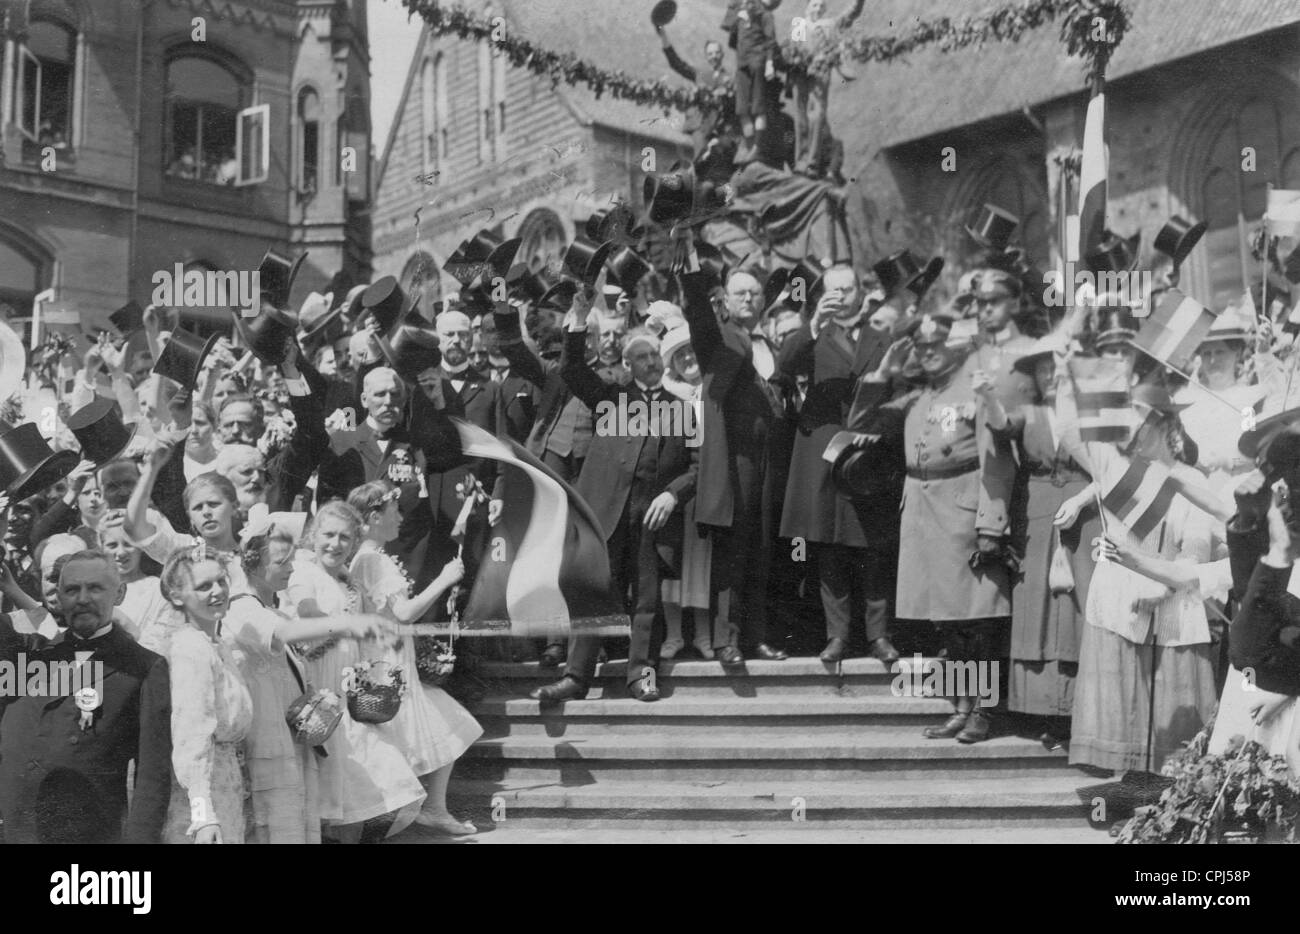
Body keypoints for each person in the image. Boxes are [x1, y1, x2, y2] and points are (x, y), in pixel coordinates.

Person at [852, 313, 1019, 743]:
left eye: (935, 346)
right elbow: (862, 423)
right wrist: (882, 375)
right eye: (920, 347)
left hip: (963, 510)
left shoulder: (975, 390)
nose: (927, 353)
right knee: (947, 623)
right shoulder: (917, 397)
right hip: (924, 514)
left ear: (956, 348)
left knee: (977, 620)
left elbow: (996, 457)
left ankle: (983, 710)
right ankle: (960, 706)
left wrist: (991, 524)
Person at [533, 293, 699, 703]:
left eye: (655, 355)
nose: (651, 362)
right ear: (627, 365)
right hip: (605, 512)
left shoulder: (682, 409)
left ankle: (641, 675)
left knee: (646, 599)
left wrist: (673, 495)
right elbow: (571, 367)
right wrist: (576, 320)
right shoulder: (611, 400)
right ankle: (575, 676)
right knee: (593, 595)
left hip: (651, 516)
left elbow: (698, 465)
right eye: (640, 357)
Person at [1068, 386, 1224, 775]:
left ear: (1165, 424)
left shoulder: (1190, 480)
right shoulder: (1117, 476)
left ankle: (1164, 807)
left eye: (1143, 420)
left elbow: (1196, 554)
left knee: (1169, 727)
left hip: (1172, 607)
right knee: (1124, 716)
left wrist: (1163, 586)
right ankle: (1127, 801)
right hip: (1118, 605)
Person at [229, 511, 394, 843]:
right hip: (264, 747)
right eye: (281, 561)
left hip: (287, 744)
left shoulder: (269, 609)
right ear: (254, 563)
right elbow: (286, 631)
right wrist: (347, 623)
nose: (291, 568)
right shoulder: (242, 610)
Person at [0, 549, 172, 843]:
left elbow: (152, 780)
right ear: (59, 597)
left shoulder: (142, 667)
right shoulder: (32, 655)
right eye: (71, 589)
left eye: (94, 588)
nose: (82, 599)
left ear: (119, 594)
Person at [780, 264, 901, 664]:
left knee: (874, 546)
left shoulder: (881, 338)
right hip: (825, 454)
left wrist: (881, 427)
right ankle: (837, 636)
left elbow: (900, 393)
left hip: (870, 454)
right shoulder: (812, 337)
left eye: (848, 289)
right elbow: (783, 369)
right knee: (829, 547)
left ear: (859, 293)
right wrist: (814, 322)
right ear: (820, 296)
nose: (842, 296)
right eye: (833, 291)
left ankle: (878, 635)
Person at [287, 502, 430, 841]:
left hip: (347, 691)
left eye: (345, 538)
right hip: (318, 690)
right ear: (313, 536)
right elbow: (307, 613)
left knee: (376, 778)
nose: (335, 544)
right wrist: (349, 625)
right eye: (329, 535)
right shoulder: (303, 574)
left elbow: (362, 641)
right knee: (333, 786)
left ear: (354, 544)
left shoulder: (347, 584)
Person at [347, 481, 484, 834]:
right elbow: (405, 612)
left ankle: (432, 808)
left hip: (391, 658)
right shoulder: (372, 560)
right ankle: (411, 813)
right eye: (396, 509)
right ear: (375, 516)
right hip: (387, 664)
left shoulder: (368, 558)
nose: (401, 517)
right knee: (414, 735)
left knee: (448, 722)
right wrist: (442, 580)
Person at [681, 269, 787, 662]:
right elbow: (698, 317)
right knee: (733, 551)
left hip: (766, 461)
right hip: (733, 461)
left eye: (755, 294)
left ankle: (756, 636)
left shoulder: (767, 342)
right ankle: (728, 641)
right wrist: (691, 270)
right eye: (740, 293)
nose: (748, 299)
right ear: (724, 299)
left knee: (761, 550)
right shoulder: (719, 337)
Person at [1004, 342, 1098, 746]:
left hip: (1086, 510)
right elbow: (997, 426)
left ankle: (1074, 712)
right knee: (1037, 602)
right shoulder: (1029, 414)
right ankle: (1038, 709)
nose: (1053, 375)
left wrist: (1080, 502)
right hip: (1037, 508)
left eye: (1059, 366)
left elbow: (1113, 471)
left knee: (1076, 605)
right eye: (1044, 369)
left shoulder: (1094, 414)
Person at [156, 546, 253, 844]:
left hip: (226, 783)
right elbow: (190, 734)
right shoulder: (190, 647)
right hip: (200, 795)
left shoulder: (216, 643)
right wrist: (202, 814)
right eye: (203, 586)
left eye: (220, 581)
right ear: (177, 596)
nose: (217, 591)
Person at [656, 325, 715, 659]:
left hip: (709, 484)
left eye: (691, 351)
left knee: (703, 561)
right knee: (672, 560)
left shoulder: (715, 389)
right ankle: (675, 634)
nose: (688, 359)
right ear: (672, 364)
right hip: (676, 487)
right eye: (680, 355)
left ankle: (704, 636)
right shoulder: (667, 394)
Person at [787, 0, 864, 178]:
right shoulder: (800, 24)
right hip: (801, 74)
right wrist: (796, 63)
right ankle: (801, 161)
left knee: (817, 115)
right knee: (801, 117)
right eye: (815, 5)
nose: (818, 9)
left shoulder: (829, 25)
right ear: (807, 7)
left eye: (822, 6)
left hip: (821, 71)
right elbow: (793, 49)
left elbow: (850, 15)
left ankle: (812, 163)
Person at [722, 0, 782, 165]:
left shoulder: (766, 15)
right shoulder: (740, 15)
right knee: (742, 109)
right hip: (742, 64)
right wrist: (737, 20)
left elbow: (771, 41)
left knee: (758, 107)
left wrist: (769, 63)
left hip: (758, 62)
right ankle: (749, 147)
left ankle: (757, 148)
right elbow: (732, 41)